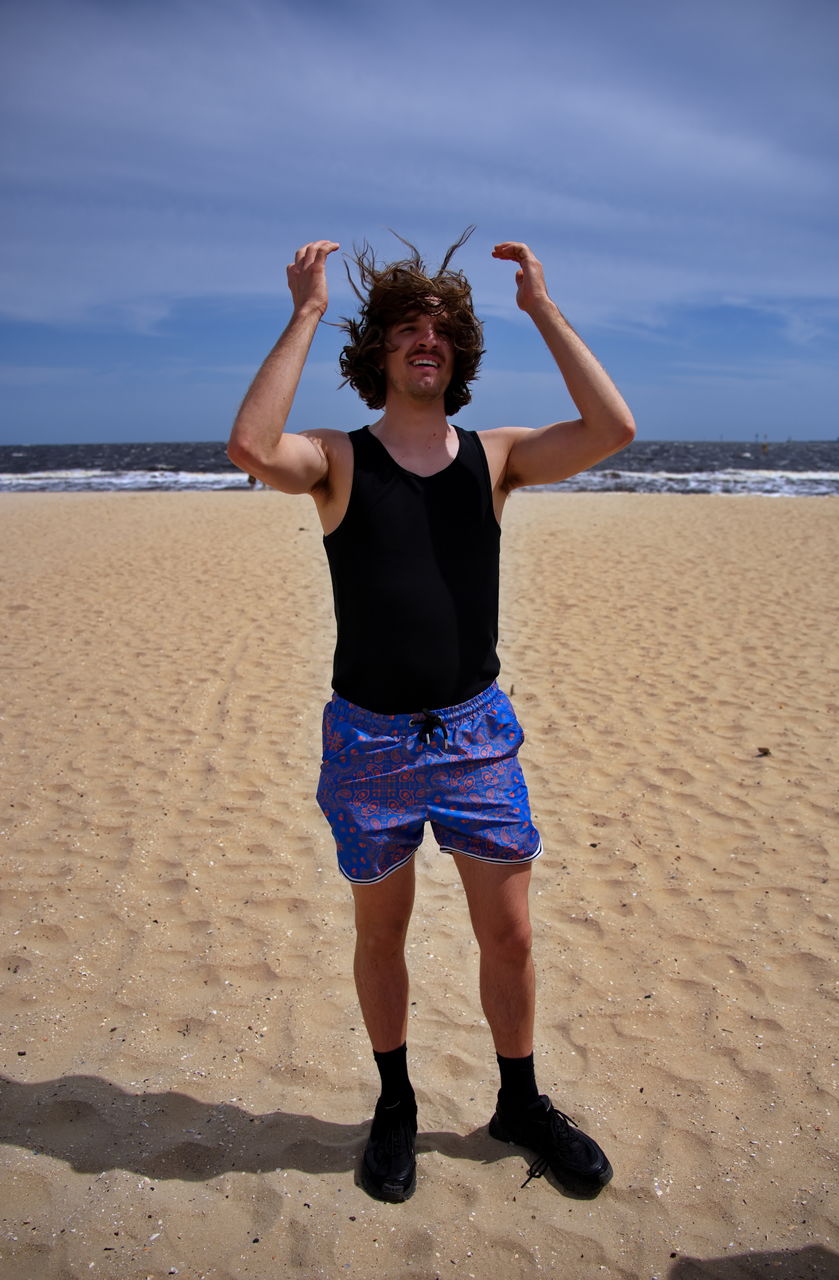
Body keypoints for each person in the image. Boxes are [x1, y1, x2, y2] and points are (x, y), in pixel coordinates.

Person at [227, 230, 635, 1202]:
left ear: (458, 356)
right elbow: (250, 444)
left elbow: (611, 426)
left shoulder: (494, 458)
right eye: (408, 328)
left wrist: (540, 306)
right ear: (377, 352)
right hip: (366, 739)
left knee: (511, 937)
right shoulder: (334, 459)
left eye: (443, 330)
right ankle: (395, 1103)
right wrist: (306, 308)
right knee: (383, 934)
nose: (428, 340)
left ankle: (519, 1101)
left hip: (473, 734)